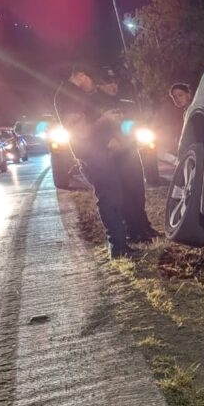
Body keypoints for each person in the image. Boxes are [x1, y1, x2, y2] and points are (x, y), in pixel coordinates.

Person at [55, 62, 133, 259]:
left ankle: (121, 244)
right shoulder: (69, 96)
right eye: (92, 80)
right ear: (81, 75)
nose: (93, 85)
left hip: (98, 152)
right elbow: (81, 132)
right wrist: (105, 120)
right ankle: (117, 246)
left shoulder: (72, 95)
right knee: (108, 197)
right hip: (92, 155)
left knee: (113, 195)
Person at [96, 69, 156, 243]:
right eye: (108, 82)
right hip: (113, 156)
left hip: (129, 150)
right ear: (99, 84)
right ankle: (133, 230)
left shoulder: (124, 102)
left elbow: (134, 123)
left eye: (115, 81)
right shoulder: (95, 104)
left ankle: (144, 226)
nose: (113, 85)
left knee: (138, 190)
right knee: (124, 195)